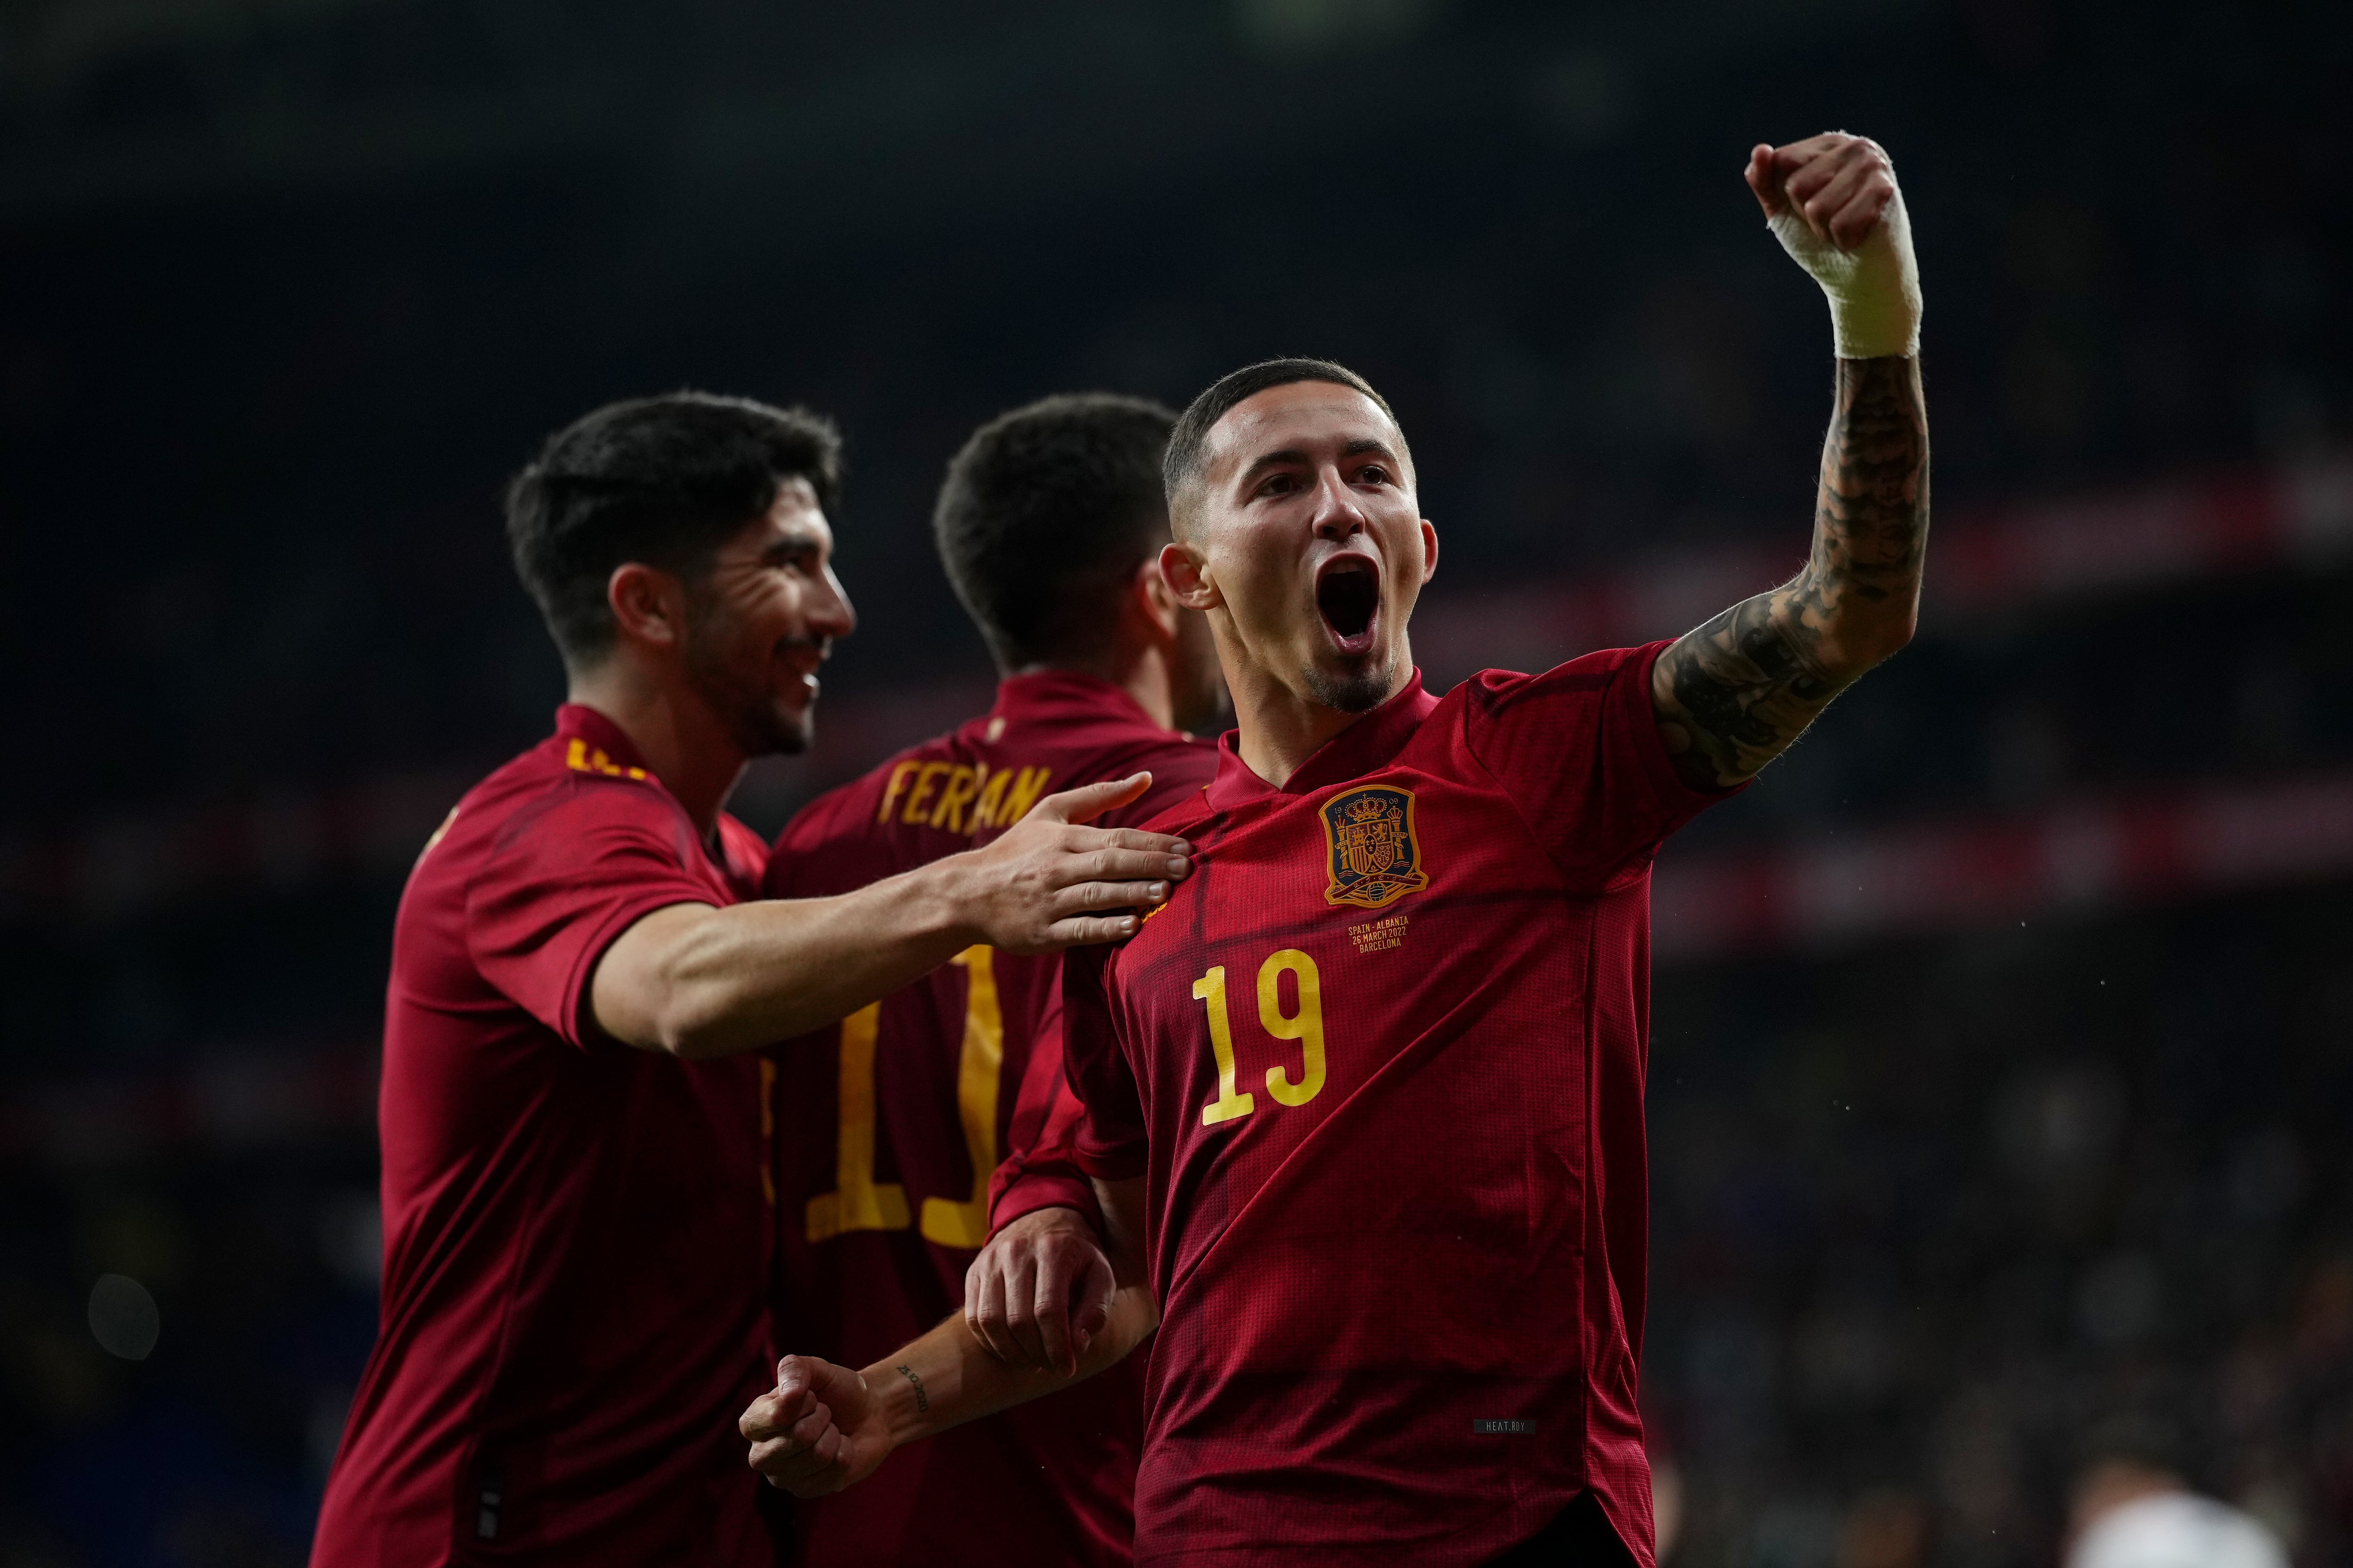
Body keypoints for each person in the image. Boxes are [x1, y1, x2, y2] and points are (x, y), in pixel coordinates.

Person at [743, 129, 1930, 1566]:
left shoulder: (1537, 762)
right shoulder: (1126, 866)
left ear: (1421, 544)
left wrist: (1871, 312)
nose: (1335, 505)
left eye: (1369, 476)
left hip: (1511, 1518)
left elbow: (1843, 613)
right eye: (1279, 482)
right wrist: (896, 1385)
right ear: (1184, 579)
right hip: (1219, 1532)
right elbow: (1108, 1265)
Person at [310, 392, 1194, 1567]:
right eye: (792, 563)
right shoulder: (539, 830)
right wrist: (970, 891)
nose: (838, 610)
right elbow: (677, 991)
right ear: (648, 605)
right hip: (491, 1529)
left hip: (710, 1520)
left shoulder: (763, 860)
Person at [763, 392, 1224, 1567]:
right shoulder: (1201, 814)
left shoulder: (819, 842)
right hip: (1106, 1514)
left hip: (844, 1505)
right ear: (1163, 587)